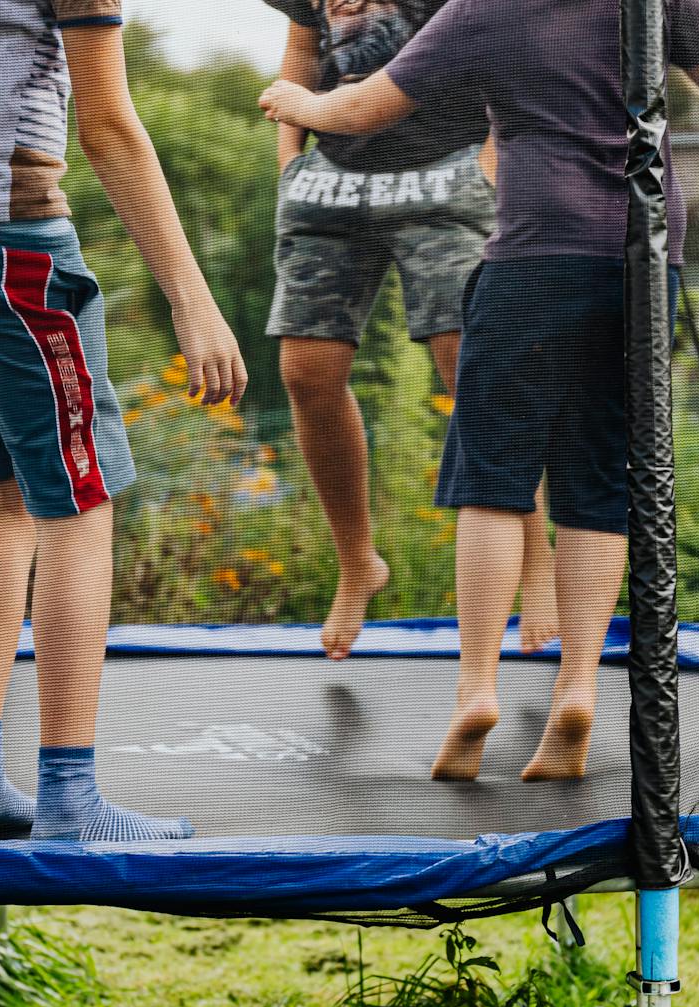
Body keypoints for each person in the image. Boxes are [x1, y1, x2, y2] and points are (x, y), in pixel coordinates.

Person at [261, 0, 699, 782]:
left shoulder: (484, 8)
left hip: (533, 256)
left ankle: (477, 688)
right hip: (644, 261)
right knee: (597, 484)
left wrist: (299, 104)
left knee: (492, 479)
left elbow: (363, 108)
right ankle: (579, 688)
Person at [0, 0, 247, 840]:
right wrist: (194, 300)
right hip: (4, 235)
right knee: (80, 498)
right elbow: (107, 127)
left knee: (1, 493)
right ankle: (70, 797)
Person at [263, 0, 559, 660]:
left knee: (471, 363)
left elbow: (503, 52)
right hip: (333, 182)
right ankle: (358, 562)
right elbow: (302, 50)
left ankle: (537, 559)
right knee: (306, 374)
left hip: (444, 172)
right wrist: (289, 161)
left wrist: (488, 164)